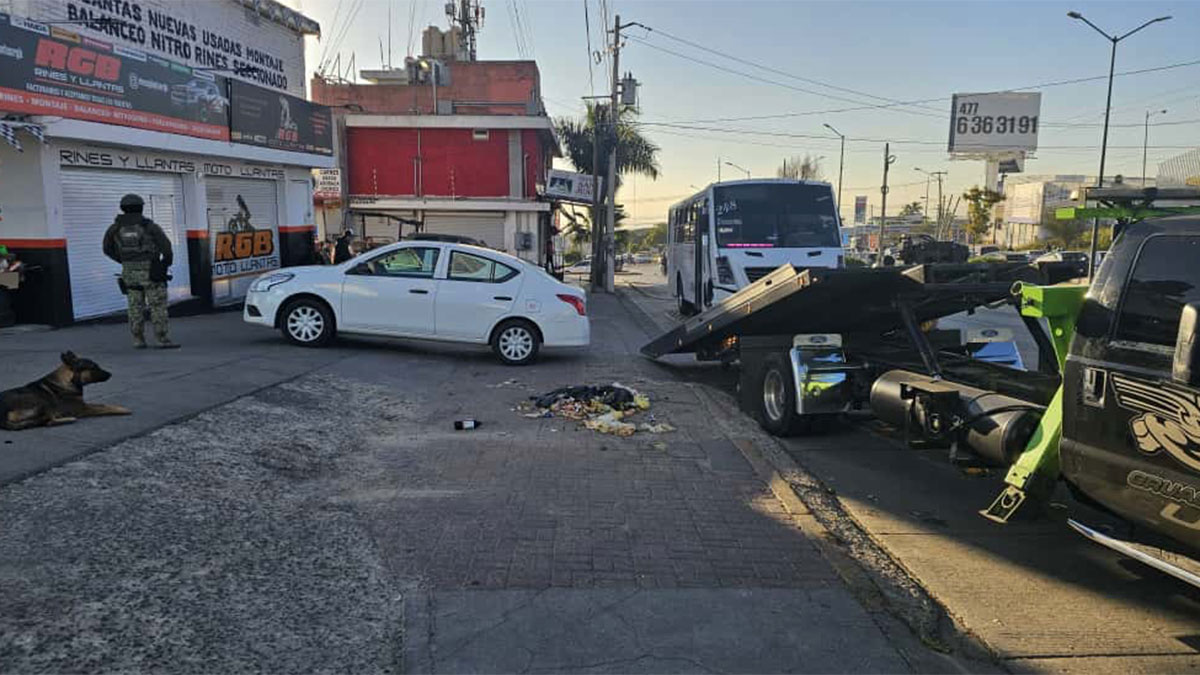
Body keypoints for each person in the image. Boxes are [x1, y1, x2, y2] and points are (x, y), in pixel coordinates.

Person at [102, 194, 179, 349]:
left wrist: (123, 260)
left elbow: (107, 249)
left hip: (129, 272)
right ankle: (161, 338)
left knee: (134, 306)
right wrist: (164, 264)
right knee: (157, 305)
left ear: (123, 208)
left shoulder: (115, 228)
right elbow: (166, 247)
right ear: (141, 207)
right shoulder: (149, 226)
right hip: (152, 271)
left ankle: (138, 339)